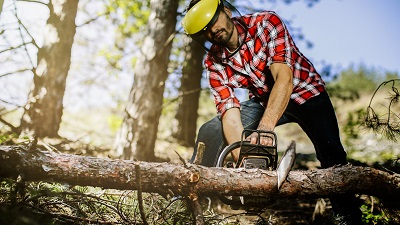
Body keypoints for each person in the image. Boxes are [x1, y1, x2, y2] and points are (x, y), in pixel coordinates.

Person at [182, 0, 362, 224]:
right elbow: (230, 115)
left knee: (331, 153)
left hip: (305, 92)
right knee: (210, 130)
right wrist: (248, 163)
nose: (213, 30)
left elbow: (284, 79)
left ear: (226, 10)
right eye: (205, 29)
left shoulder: (266, 23)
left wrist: (264, 131)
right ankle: (188, 201)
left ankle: (348, 214)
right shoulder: (214, 62)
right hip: (263, 99)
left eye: (214, 20)